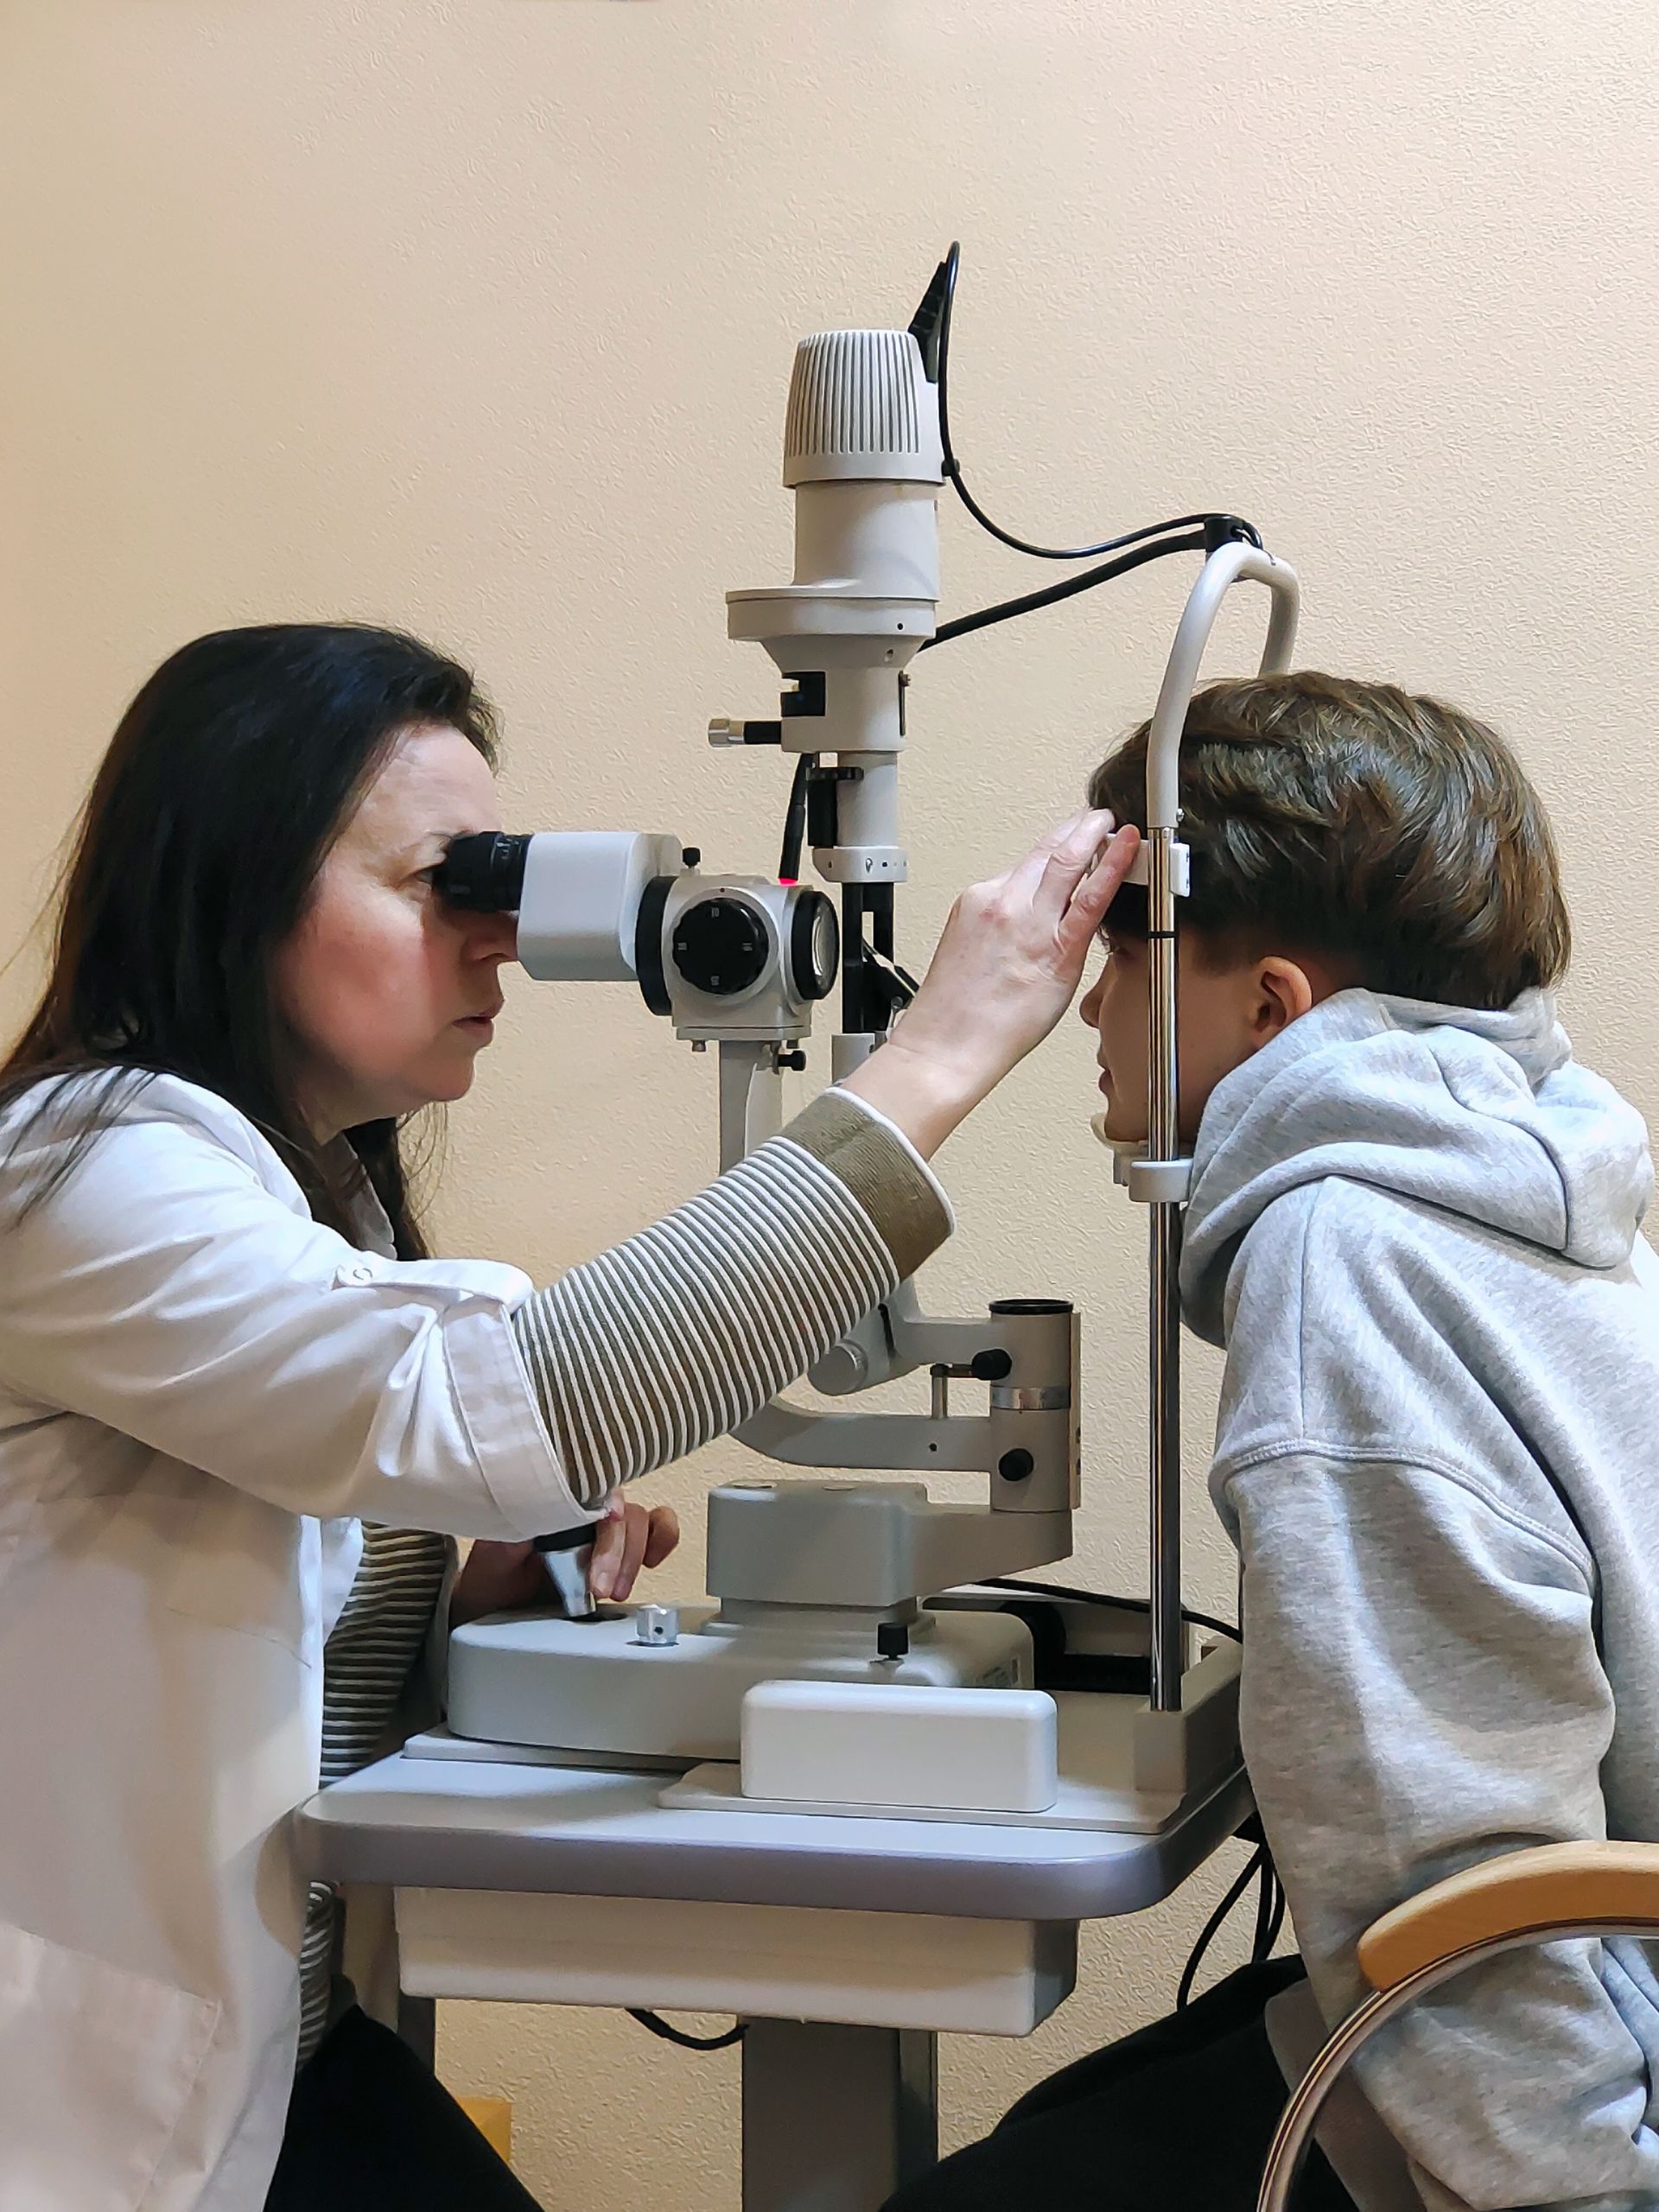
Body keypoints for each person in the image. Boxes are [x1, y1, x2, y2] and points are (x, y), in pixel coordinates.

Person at [0, 622, 1136, 2212]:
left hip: (288, 2049)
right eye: (441, 888)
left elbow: (281, 1556)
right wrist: (941, 1051)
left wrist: (454, 1581)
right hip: (93, 2108)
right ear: (238, 884)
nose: (503, 943)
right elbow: (479, 1413)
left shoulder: (312, 1207)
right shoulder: (87, 1169)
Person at [887, 671, 1659, 2212]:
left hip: (1576, 2080)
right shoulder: (1536, 1177)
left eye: (1124, 956)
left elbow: (1454, 1874)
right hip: (1599, 1982)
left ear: (1272, 1005)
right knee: (1074, 2117)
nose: (1090, 1008)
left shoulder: (1345, 1252)